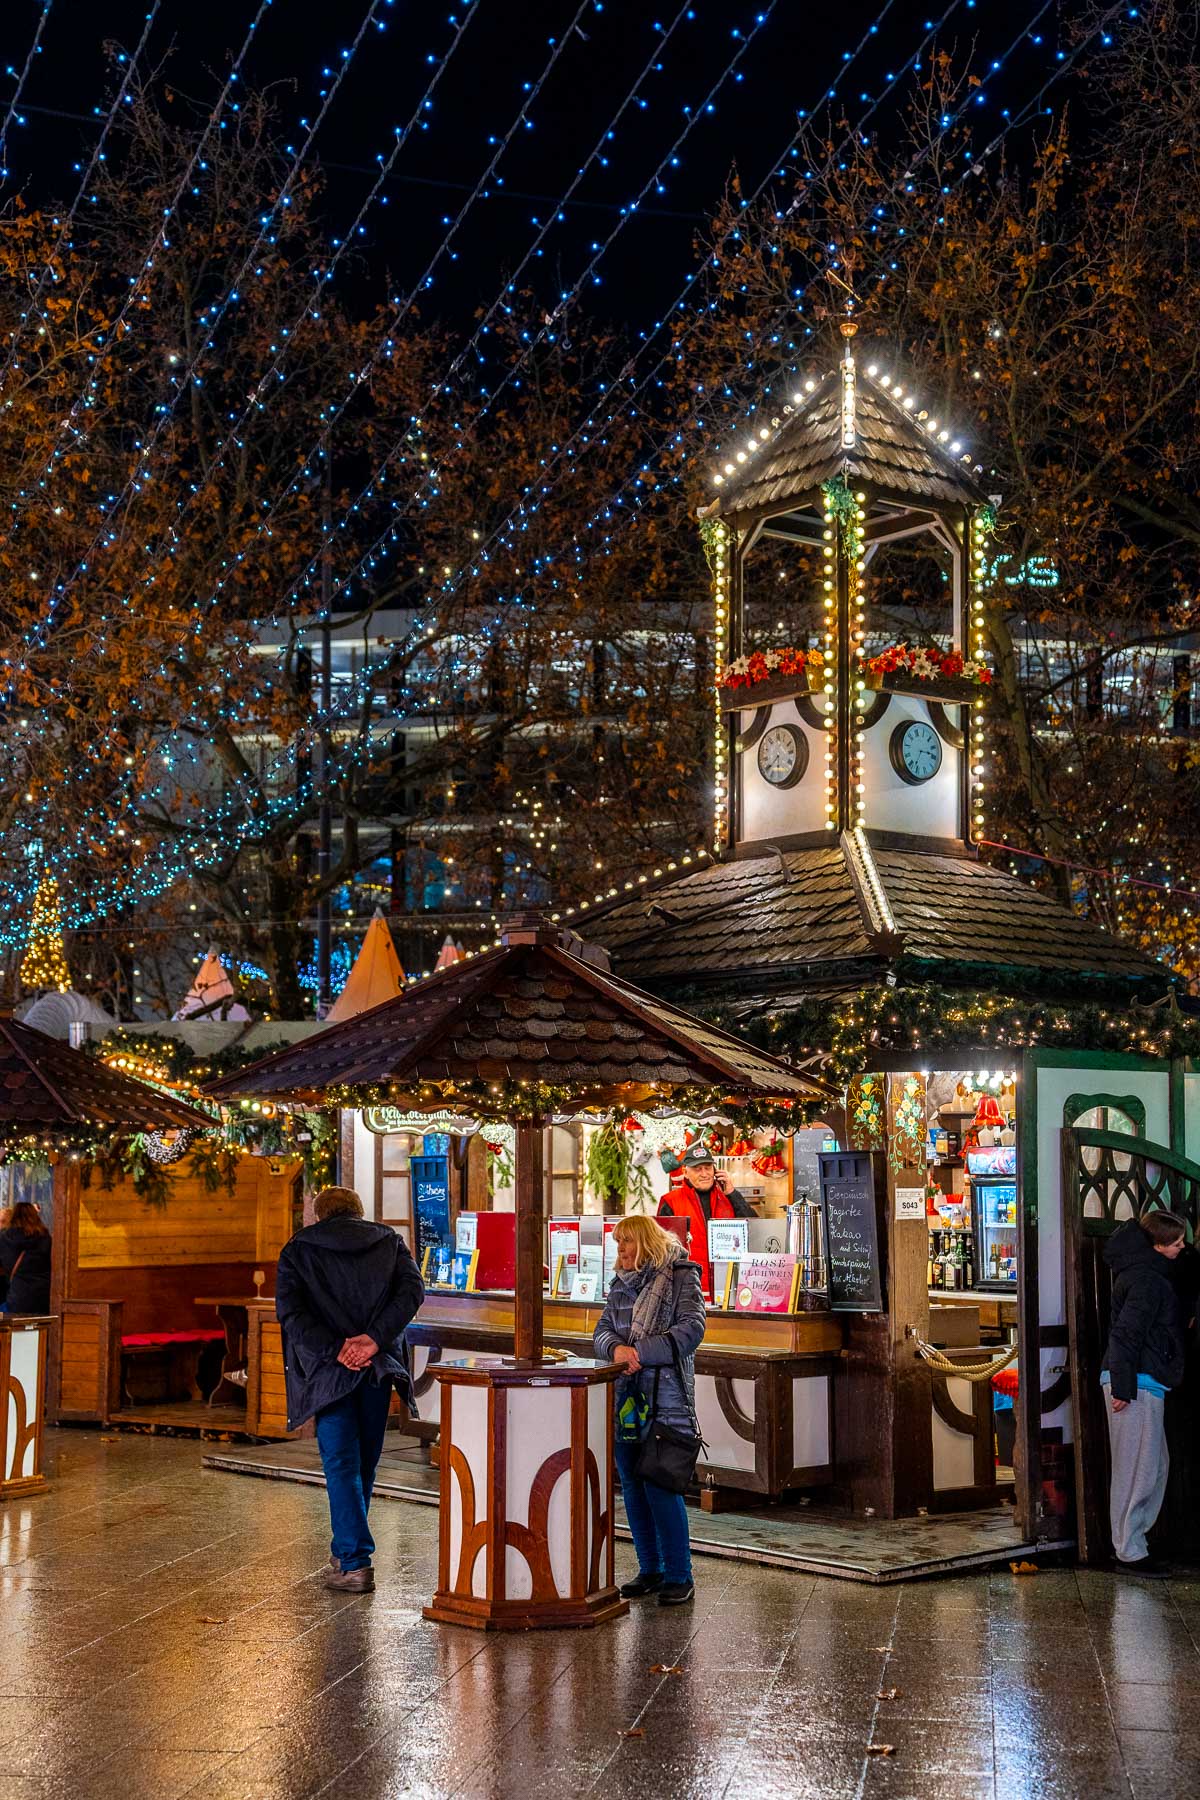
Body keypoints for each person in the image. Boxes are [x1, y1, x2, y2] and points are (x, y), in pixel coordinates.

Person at [275, 1185, 424, 1593]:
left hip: (328, 1373)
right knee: (363, 1463)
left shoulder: (299, 1249)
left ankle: (354, 1562)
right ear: (358, 1212)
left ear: (319, 1215)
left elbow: (290, 1312)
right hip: (376, 1370)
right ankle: (346, 1552)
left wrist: (337, 1348)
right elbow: (412, 1293)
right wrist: (373, 1341)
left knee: (341, 1464)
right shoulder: (389, 1242)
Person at [593, 1214, 705, 1607]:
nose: (620, 1250)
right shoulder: (619, 1286)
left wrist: (641, 1352)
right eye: (617, 1242)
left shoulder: (680, 1276)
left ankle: (679, 1574)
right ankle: (650, 1568)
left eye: (627, 1241)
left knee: (661, 1487)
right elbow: (602, 1331)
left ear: (646, 1242)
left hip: (666, 1400)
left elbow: (692, 1330)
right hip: (626, 1399)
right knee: (634, 1490)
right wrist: (617, 1351)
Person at [1101, 1208, 1188, 1577]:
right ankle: (1130, 1551)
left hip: (1141, 1381)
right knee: (1138, 1470)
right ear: (1157, 1245)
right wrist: (1122, 1386)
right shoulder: (1147, 1281)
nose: (1182, 1249)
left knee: (1152, 1467)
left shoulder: (1144, 1274)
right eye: (1177, 1244)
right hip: (1135, 1383)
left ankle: (1135, 1543)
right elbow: (1126, 1333)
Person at [658, 1141, 754, 1299]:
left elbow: (754, 1229)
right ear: (685, 1172)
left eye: (708, 1168)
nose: (704, 1173)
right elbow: (661, 1251)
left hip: (730, 1290)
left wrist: (732, 1193)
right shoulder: (670, 1201)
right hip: (687, 1292)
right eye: (697, 1169)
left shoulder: (729, 1197)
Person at [0, 1202, 52, 1316]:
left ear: (13, 1217)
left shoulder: (6, 1238)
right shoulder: (46, 1238)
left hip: (17, 1300)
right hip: (43, 1300)